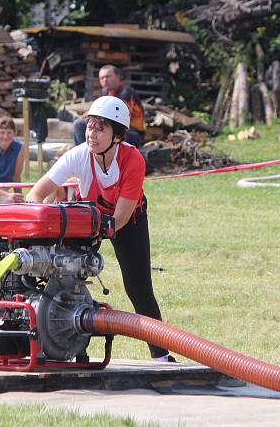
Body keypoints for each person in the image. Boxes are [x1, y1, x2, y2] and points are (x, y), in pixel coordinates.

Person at [27, 96, 174, 362]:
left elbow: (120, 218)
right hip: (89, 220)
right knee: (53, 273)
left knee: (138, 288)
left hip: (127, 222)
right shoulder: (78, 155)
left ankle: (161, 357)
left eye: (100, 128)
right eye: (89, 126)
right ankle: (54, 343)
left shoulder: (133, 160)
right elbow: (36, 194)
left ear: (117, 135)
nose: (91, 134)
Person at [73, 65, 146, 148]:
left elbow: (118, 118)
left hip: (133, 133)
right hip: (112, 128)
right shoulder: (105, 92)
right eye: (102, 78)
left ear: (117, 76)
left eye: (107, 76)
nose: (105, 80)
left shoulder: (126, 92)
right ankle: (85, 154)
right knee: (79, 124)